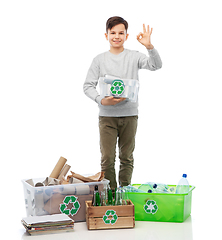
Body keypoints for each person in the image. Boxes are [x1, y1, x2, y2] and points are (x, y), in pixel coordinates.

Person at [83, 16, 162, 190]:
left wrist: (149, 47)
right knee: (107, 158)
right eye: (113, 33)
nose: (116, 36)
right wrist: (101, 100)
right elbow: (87, 86)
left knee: (127, 157)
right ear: (106, 35)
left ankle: (126, 192)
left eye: (121, 33)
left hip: (130, 115)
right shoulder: (99, 60)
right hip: (107, 117)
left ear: (127, 36)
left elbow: (156, 65)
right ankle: (110, 195)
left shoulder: (134, 57)